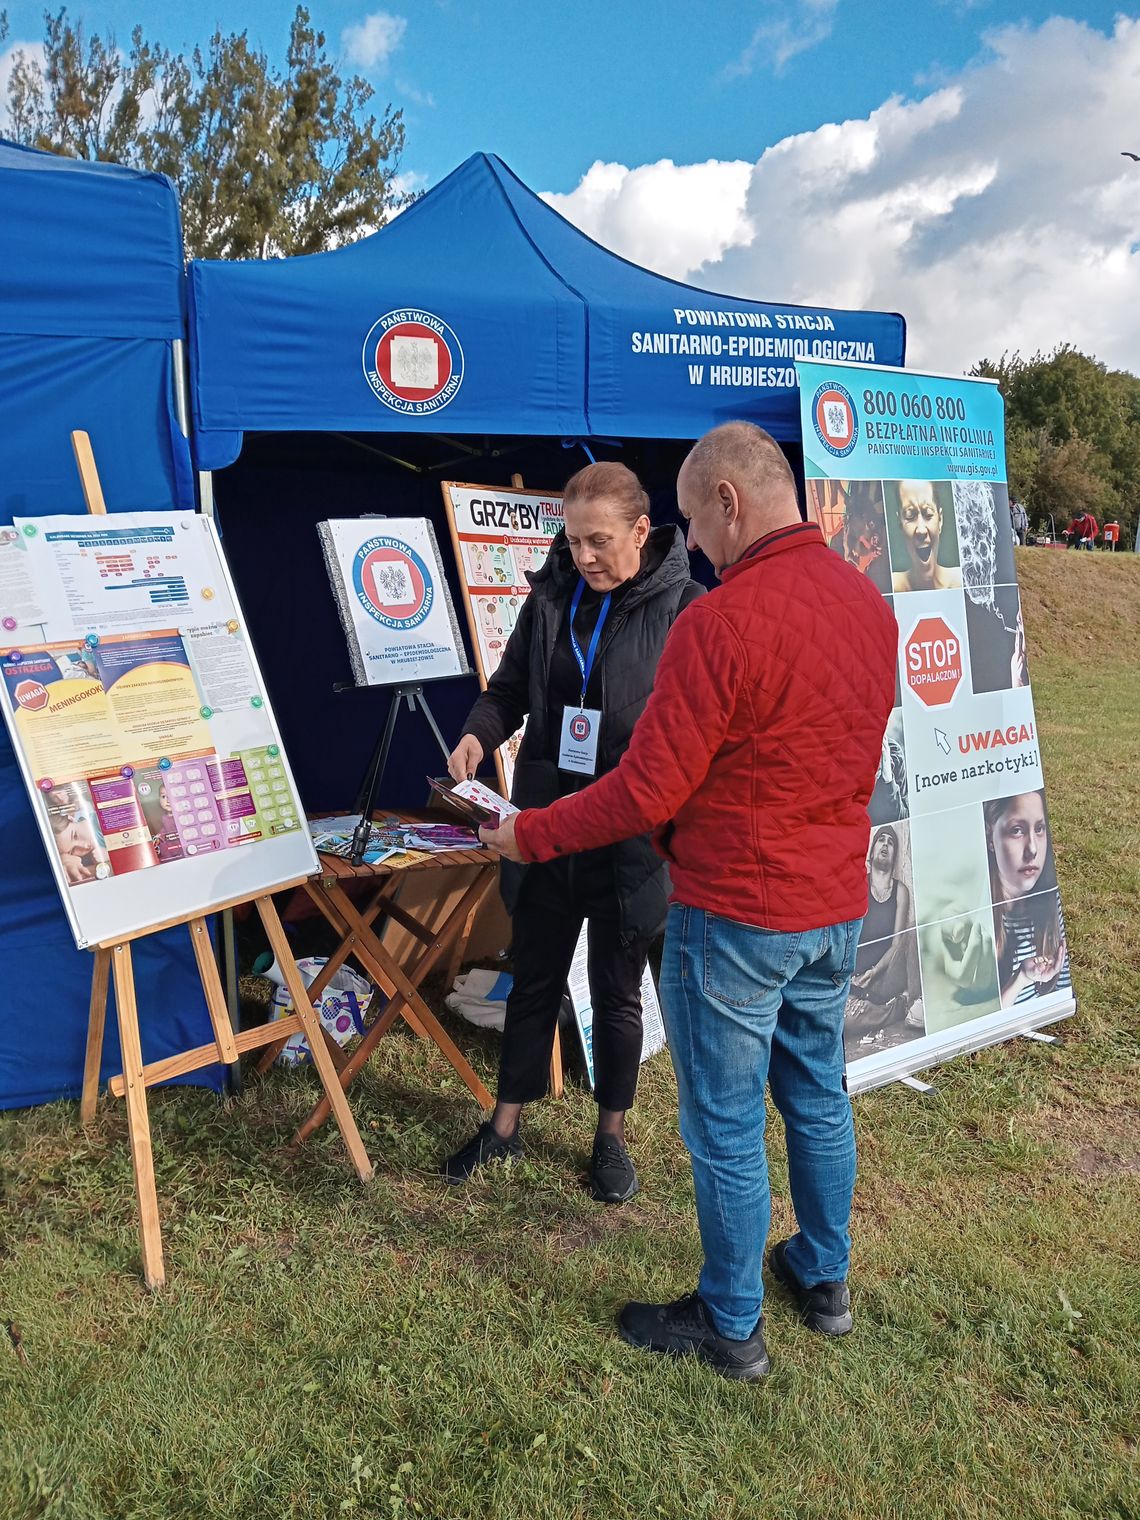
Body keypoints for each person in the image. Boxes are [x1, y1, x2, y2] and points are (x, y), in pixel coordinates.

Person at [481, 422, 897, 1380]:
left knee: (723, 1120)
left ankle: (730, 1319)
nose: (691, 544)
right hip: (832, 900)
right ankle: (823, 1279)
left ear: (728, 502)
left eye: (688, 522)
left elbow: (644, 791)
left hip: (740, 906)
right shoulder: (866, 603)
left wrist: (529, 833)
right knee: (817, 1093)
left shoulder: (721, 620)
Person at [441, 461, 704, 1203]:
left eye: (599, 541)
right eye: (573, 539)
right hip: (544, 824)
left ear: (641, 532)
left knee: (617, 990)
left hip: (631, 834)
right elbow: (510, 689)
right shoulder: (551, 594)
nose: (583, 556)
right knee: (535, 978)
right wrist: (476, 734)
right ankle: (503, 1126)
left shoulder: (686, 607)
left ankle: (610, 1138)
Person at [983, 791, 1070, 1009]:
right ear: (989, 836)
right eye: (1017, 830)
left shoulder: (1050, 903)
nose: (1032, 849)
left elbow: (1063, 995)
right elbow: (978, 1026)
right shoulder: (975, 911)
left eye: (1039, 829)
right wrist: (1020, 978)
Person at [844, 825, 923, 1046]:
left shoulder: (900, 891)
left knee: (913, 930)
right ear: (872, 851)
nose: (886, 844)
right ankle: (896, 1008)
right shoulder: (859, 884)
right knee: (844, 1023)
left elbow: (897, 943)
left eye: (890, 842)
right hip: (856, 980)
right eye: (881, 840)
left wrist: (874, 971)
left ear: (895, 854)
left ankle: (914, 1001)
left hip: (886, 973)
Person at [891, 481, 962, 592]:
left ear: (940, 520)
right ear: (899, 522)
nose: (921, 530)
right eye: (910, 516)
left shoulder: (963, 582)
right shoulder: (891, 586)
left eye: (928, 514)